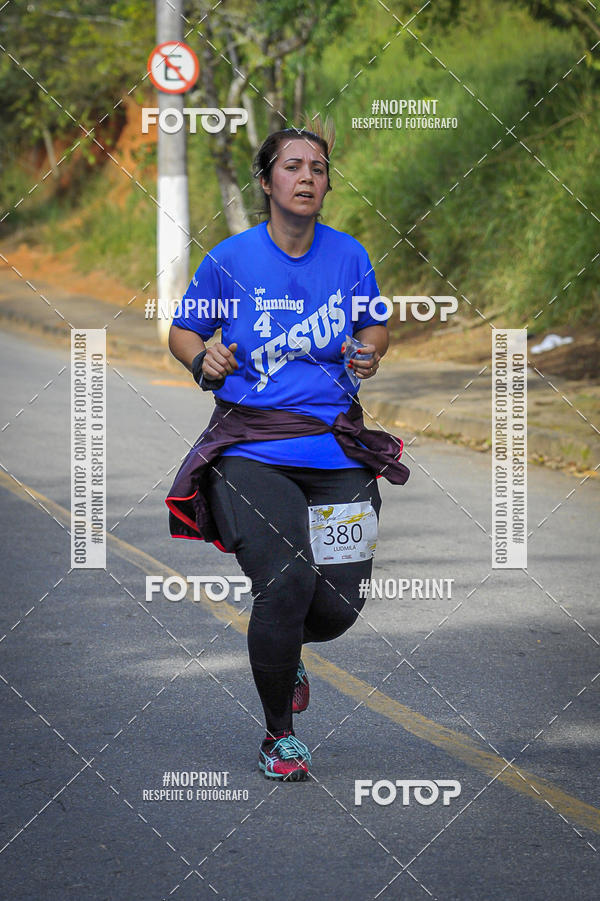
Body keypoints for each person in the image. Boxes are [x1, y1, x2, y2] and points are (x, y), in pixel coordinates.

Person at [166, 121, 409, 782]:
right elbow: (184, 332)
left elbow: (374, 321)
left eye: (319, 168)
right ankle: (280, 734)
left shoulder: (348, 254)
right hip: (252, 447)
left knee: (337, 605)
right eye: (294, 165)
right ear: (268, 180)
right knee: (286, 579)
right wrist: (205, 357)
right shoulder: (231, 259)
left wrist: (371, 348)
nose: (308, 177)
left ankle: (288, 647)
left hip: (336, 447)